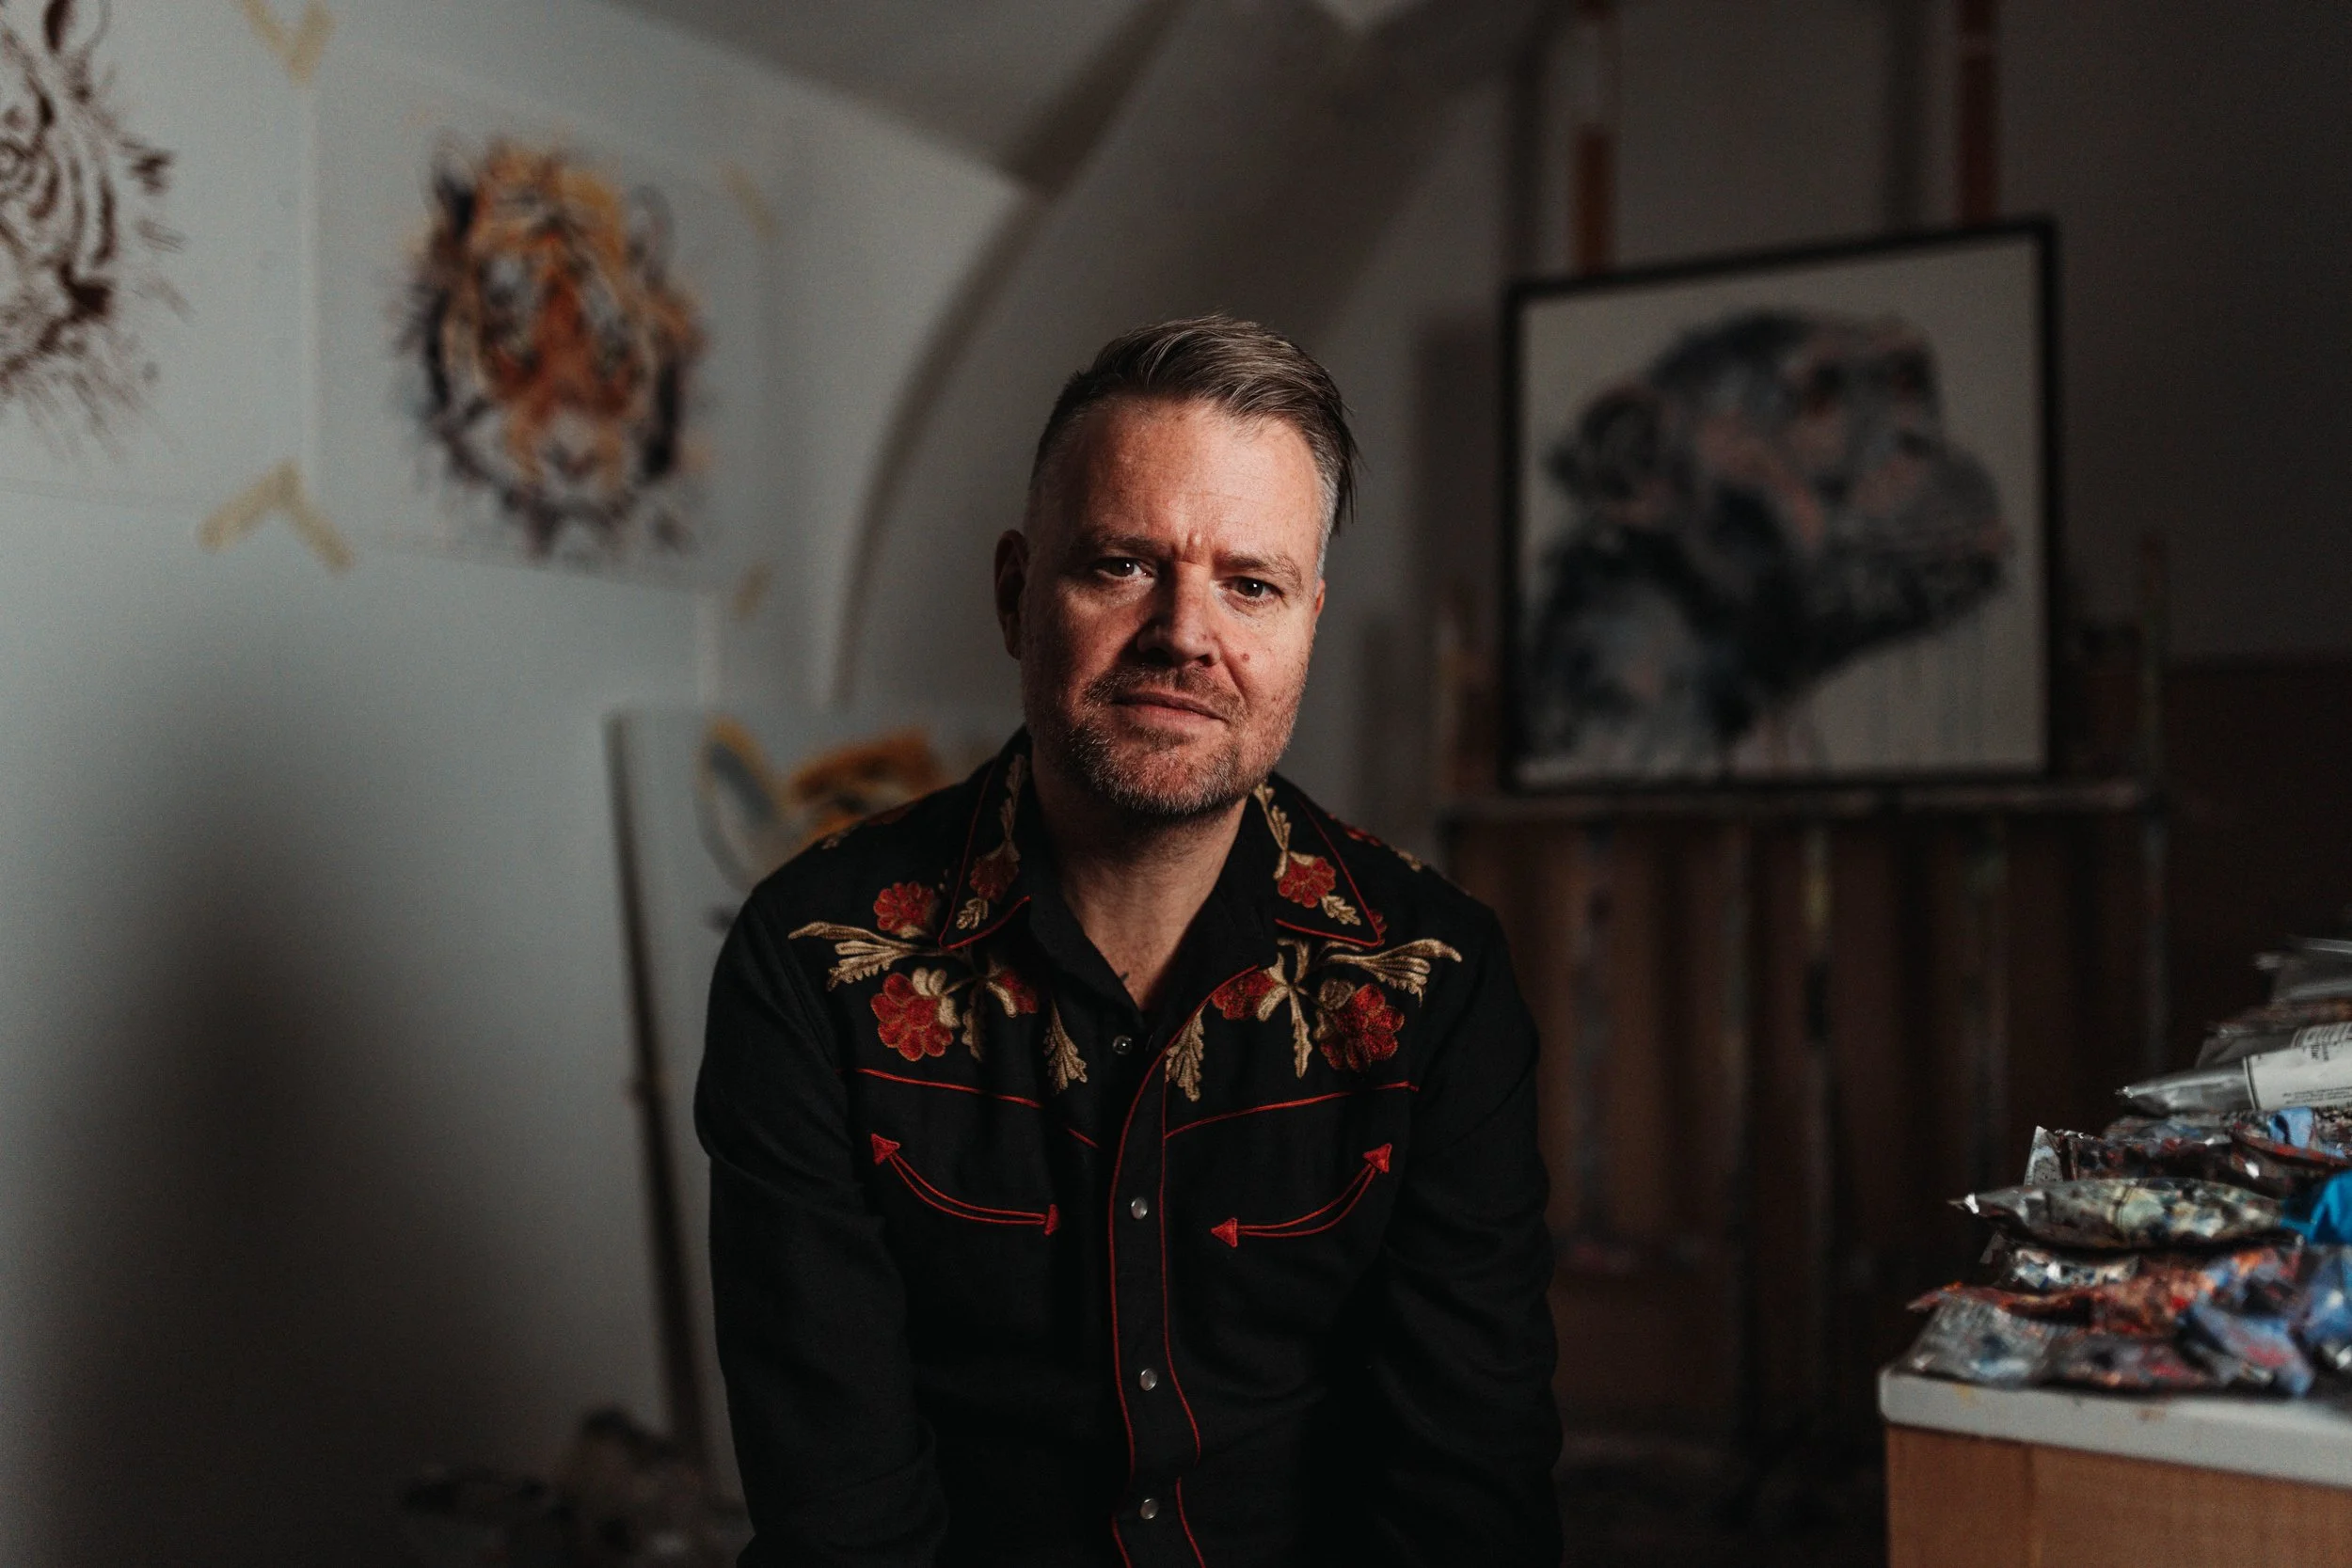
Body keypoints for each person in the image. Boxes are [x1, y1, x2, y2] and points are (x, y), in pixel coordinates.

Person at [697, 316, 1561, 1566]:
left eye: (1249, 583)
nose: (1184, 634)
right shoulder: (813, 964)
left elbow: (1467, 1495)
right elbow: (842, 1514)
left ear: (1306, 622)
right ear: (1014, 593)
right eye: (1121, 565)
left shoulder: (1434, 981)